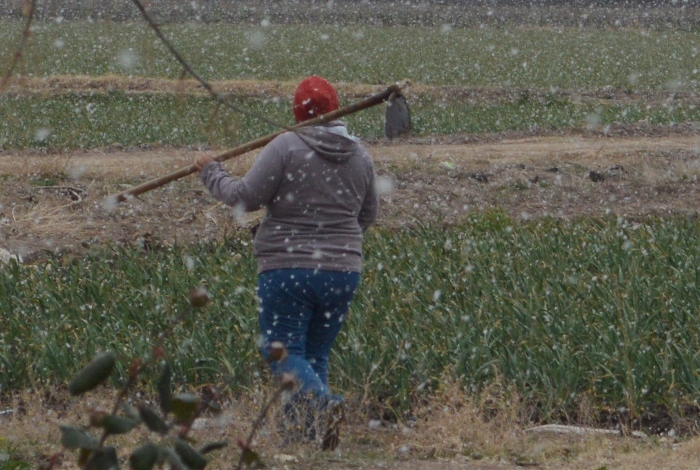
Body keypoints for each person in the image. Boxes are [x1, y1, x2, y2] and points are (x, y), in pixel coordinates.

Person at [194, 76, 378, 450]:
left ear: (297, 112)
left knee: (280, 350)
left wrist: (210, 170)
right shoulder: (360, 155)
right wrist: (336, 244)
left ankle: (323, 407)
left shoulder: (286, 146)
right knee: (313, 355)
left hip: (287, 268)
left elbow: (245, 197)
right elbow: (368, 215)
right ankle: (303, 437)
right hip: (343, 272)